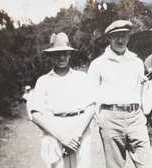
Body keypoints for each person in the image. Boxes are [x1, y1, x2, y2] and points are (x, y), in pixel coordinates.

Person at [87, 20, 152, 168]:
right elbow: (93, 95)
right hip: (111, 117)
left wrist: (142, 115)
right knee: (115, 165)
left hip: (136, 117)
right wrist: (101, 119)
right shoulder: (98, 64)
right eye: (116, 36)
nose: (120, 40)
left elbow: (141, 91)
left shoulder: (136, 62)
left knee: (146, 163)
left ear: (128, 37)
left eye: (123, 35)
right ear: (109, 38)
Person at [30, 32, 96, 168]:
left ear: (70, 54)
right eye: (57, 53)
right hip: (54, 133)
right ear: (50, 56)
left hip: (80, 132)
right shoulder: (43, 81)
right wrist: (61, 137)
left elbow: (91, 108)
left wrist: (76, 136)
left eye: (65, 53)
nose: (61, 57)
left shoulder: (81, 77)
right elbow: (36, 114)